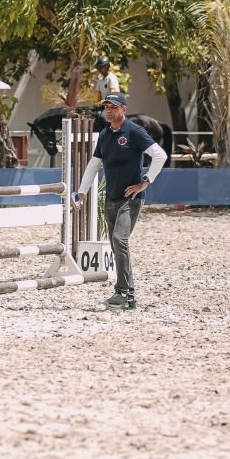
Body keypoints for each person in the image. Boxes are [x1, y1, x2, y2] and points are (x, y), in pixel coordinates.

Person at [76, 92, 167, 310]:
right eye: (106, 106)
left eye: (113, 107)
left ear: (123, 109)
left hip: (131, 198)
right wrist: (81, 191)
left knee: (119, 239)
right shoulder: (105, 134)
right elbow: (94, 164)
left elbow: (160, 155)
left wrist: (144, 182)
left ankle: (124, 293)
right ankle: (127, 295)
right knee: (118, 246)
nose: (109, 110)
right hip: (111, 197)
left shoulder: (135, 131)